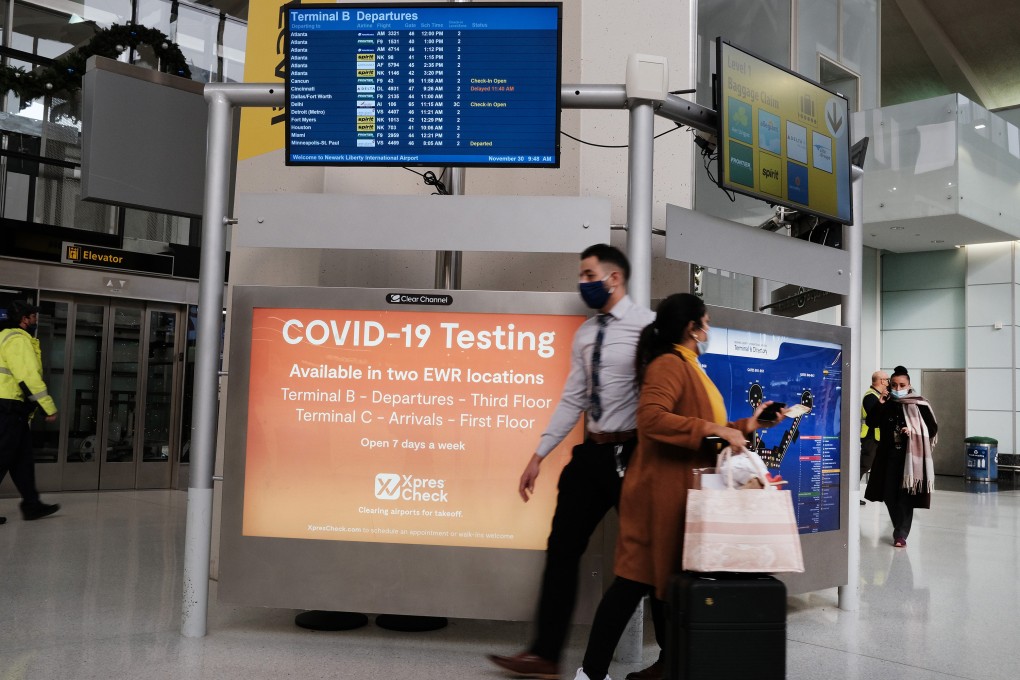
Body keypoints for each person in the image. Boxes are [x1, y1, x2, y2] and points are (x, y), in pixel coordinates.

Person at [573, 293, 780, 680]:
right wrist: (714, 429)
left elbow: (703, 427)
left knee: (664, 582)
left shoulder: (691, 366)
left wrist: (750, 425)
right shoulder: (669, 364)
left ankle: (668, 665)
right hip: (657, 496)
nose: (709, 329)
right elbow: (652, 419)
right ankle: (591, 673)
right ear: (692, 327)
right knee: (633, 582)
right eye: (707, 321)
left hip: (677, 494)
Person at [488, 244, 664, 680]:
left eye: (589, 274)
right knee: (562, 548)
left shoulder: (648, 328)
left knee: (651, 557)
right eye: (581, 276)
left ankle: (670, 658)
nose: (582, 283)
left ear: (614, 278)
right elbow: (573, 398)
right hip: (592, 454)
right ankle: (544, 655)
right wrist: (539, 454)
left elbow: (659, 395)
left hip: (635, 455)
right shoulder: (586, 333)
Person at [0, 301, 61, 525]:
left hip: (11, 408)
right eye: (34, 316)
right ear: (24, 319)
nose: (36, 320)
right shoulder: (17, 339)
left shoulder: (5, 337)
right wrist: (47, 406)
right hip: (8, 407)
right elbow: (28, 377)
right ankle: (32, 504)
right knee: (3, 457)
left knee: (22, 460)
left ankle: (32, 505)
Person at [864, 365, 936, 548]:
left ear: (909, 384)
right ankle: (899, 528)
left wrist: (912, 430)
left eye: (901, 385)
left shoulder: (919, 403)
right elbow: (872, 422)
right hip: (887, 456)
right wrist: (879, 404)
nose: (897, 389)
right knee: (888, 495)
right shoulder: (887, 403)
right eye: (894, 385)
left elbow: (932, 428)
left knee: (905, 496)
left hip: (909, 458)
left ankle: (901, 534)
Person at [859, 370, 889, 504]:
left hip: (878, 437)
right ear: (881, 381)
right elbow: (875, 417)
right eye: (887, 380)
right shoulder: (870, 396)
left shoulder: (878, 395)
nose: (888, 382)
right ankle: (850, 494)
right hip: (870, 436)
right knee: (864, 465)